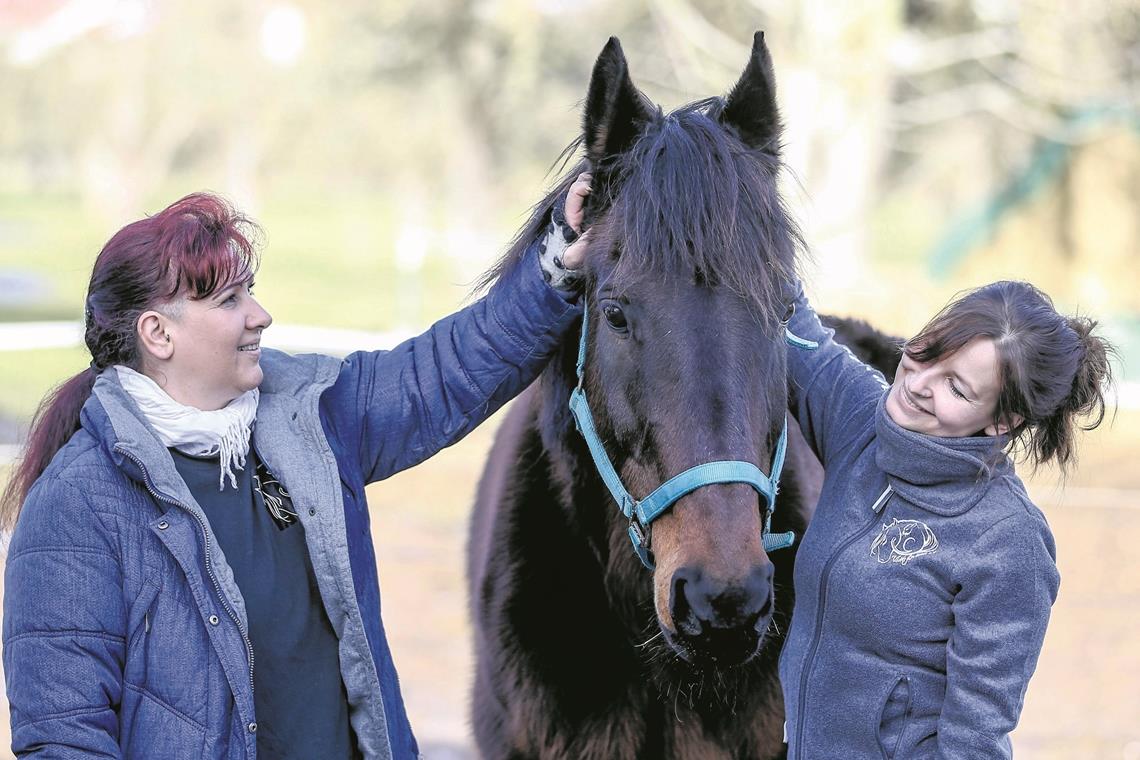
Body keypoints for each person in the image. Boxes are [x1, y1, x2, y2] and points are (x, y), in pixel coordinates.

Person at [1, 177, 591, 759]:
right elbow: (64, 740)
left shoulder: (309, 413)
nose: (260, 315)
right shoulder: (74, 507)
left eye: (250, 291)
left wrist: (557, 260)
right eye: (229, 300)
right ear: (158, 334)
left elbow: (443, 371)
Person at [779, 279, 1115, 758]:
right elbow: (800, 334)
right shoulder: (862, 423)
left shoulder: (1007, 540)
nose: (918, 384)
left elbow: (975, 740)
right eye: (925, 352)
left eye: (955, 387)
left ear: (1002, 421)